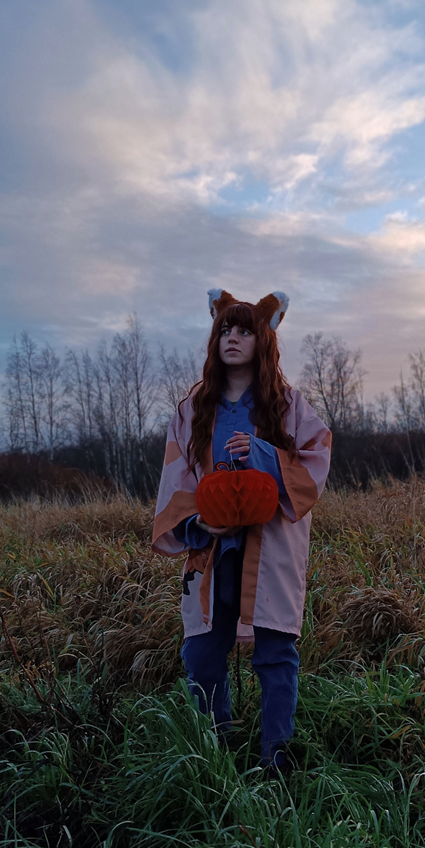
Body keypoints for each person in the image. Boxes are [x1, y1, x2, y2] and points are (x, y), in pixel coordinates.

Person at [152, 289, 331, 773]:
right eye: (226, 330)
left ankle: (277, 760)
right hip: (212, 547)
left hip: (270, 546)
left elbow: (316, 461)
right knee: (203, 650)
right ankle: (217, 754)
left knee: (275, 649)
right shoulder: (193, 410)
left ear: (264, 339)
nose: (233, 338)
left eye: (245, 330)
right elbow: (176, 477)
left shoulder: (287, 405)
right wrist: (195, 522)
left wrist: (262, 452)